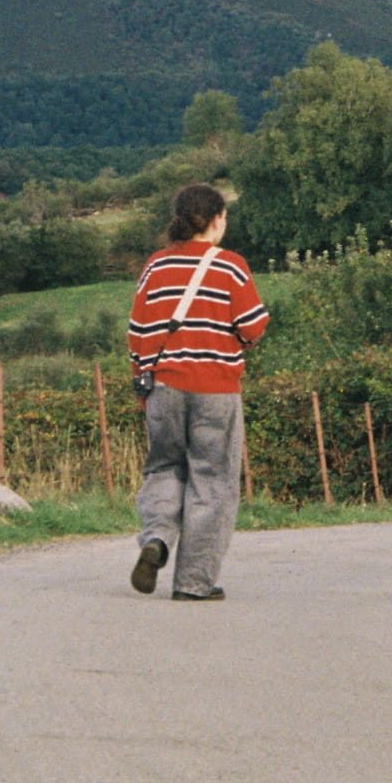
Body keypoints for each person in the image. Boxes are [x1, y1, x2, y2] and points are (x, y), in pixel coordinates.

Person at [124, 183, 269, 602]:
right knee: (213, 480)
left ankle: (157, 539)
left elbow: (136, 334)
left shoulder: (155, 267)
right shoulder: (230, 266)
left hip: (163, 387)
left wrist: (144, 389)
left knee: (164, 468)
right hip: (215, 389)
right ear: (215, 220)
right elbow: (253, 327)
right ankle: (194, 582)